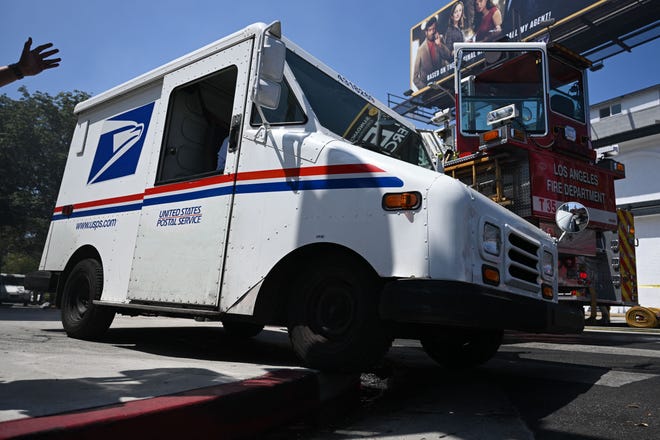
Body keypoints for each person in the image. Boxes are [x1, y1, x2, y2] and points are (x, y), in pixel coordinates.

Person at [413, 16, 451, 90]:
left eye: (433, 29)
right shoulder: (420, 50)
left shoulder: (440, 40)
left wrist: (439, 45)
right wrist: (425, 89)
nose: (432, 32)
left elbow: (448, 56)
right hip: (429, 89)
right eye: (430, 30)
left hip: (444, 85)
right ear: (426, 32)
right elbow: (415, 78)